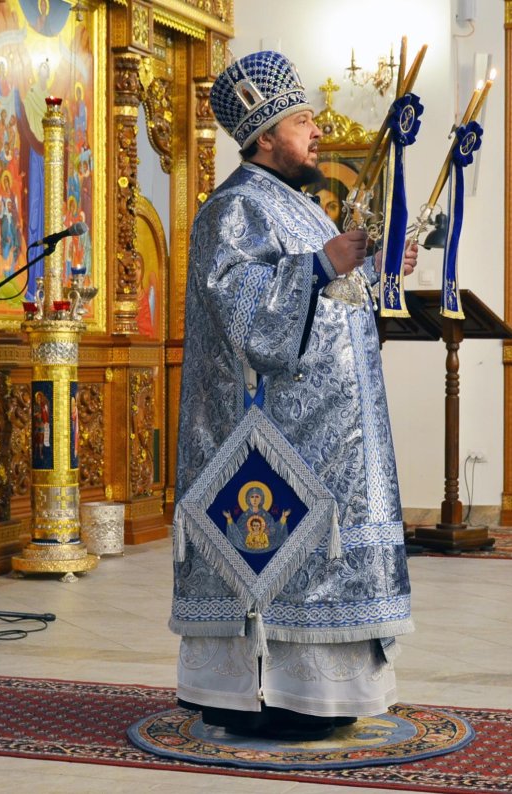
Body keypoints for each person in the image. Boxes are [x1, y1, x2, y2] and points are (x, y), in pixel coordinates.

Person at [171, 50, 417, 742]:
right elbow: (249, 319)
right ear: (265, 135)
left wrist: (369, 269)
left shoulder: (300, 208)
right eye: (302, 121)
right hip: (275, 442)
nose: (316, 132)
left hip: (329, 437)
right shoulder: (234, 209)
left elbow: (331, 302)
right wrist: (322, 264)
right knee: (282, 558)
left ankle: (323, 693)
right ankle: (266, 694)